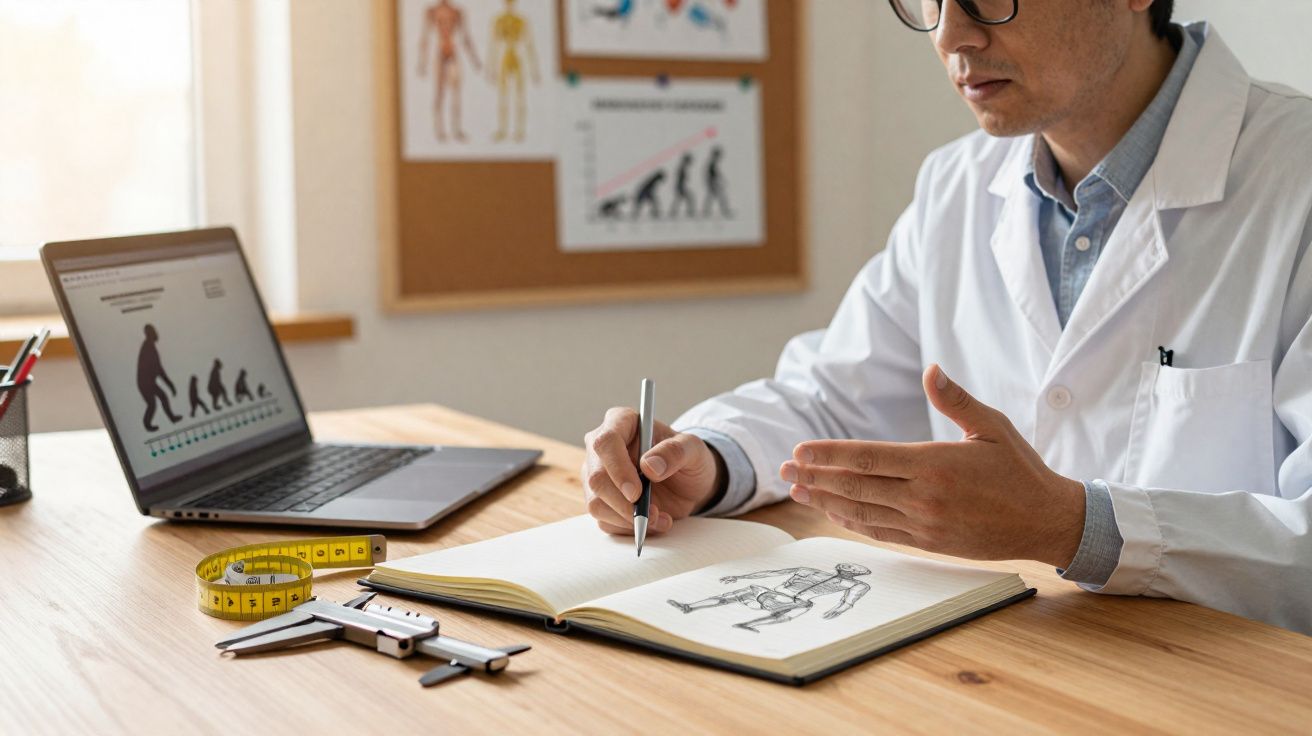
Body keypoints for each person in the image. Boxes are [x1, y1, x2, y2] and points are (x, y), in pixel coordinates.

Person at [580, 1, 1312, 634]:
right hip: (1001, 669)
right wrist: (703, 462)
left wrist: (1072, 526)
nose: (950, 35)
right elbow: (832, 397)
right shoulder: (958, 185)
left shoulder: (1295, 178)